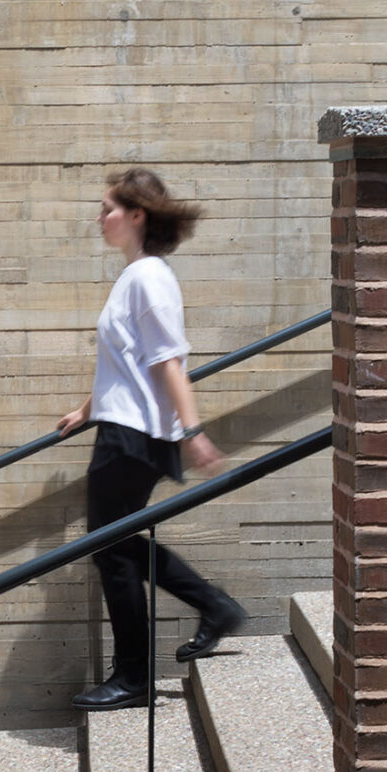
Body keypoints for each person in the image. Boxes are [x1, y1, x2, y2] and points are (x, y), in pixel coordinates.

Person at [56, 167, 246, 710]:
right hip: (123, 427)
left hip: (134, 436)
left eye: (108, 208)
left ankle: (135, 675)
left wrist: (193, 431)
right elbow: (128, 363)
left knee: (110, 550)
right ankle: (212, 606)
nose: (101, 218)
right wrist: (86, 409)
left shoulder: (149, 278)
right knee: (115, 545)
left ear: (137, 214)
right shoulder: (135, 275)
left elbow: (168, 361)